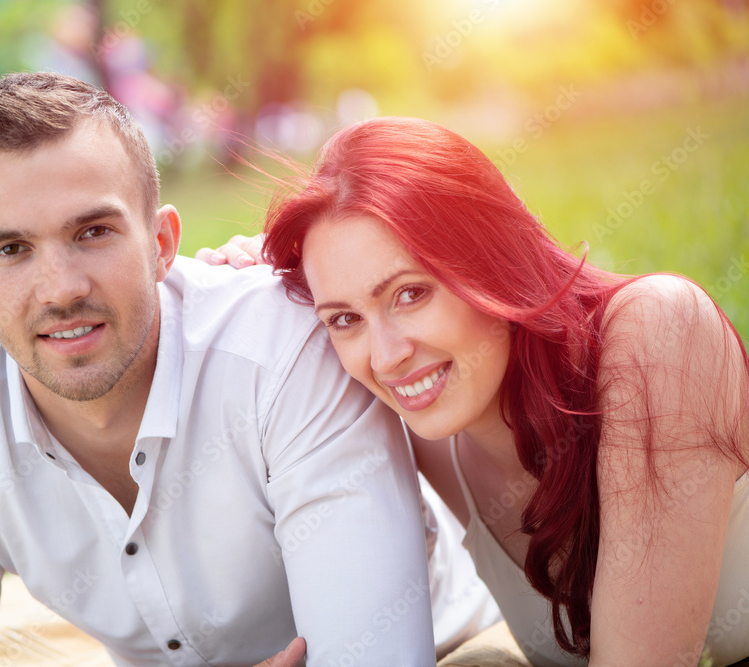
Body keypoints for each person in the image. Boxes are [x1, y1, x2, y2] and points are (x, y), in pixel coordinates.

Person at [0, 74, 499, 666]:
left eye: (93, 232)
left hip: (451, 642)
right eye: (12, 250)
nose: (60, 289)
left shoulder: (281, 351)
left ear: (162, 244)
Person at [199, 117, 749, 666]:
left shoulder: (659, 331)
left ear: (492, 260)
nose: (386, 357)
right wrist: (242, 303)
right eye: (344, 319)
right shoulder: (428, 433)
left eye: (410, 293)